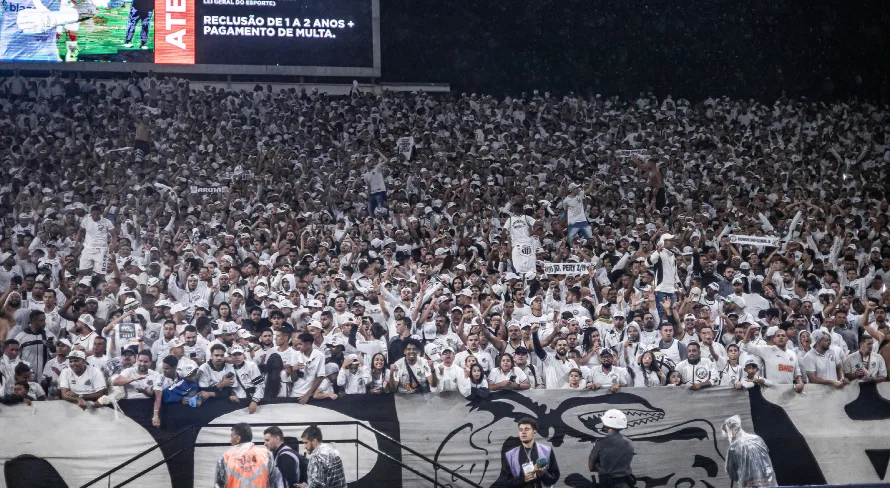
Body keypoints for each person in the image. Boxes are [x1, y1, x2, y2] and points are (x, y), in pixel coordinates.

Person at [496, 417, 560, 487]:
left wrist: (543, 474)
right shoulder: (510, 455)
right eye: (521, 430)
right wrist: (522, 479)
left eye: (527, 429)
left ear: (534, 432)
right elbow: (505, 482)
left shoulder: (547, 451)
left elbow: (554, 478)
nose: (523, 432)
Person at [214, 423, 278, 488]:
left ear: (238, 438)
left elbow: (219, 485)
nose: (230, 440)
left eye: (232, 436)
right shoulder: (266, 455)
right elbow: (273, 483)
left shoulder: (226, 457)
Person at [722, 415, 778, 487]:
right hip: (769, 483)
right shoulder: (758, 439)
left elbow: (732, 473)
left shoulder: (734, 448)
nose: (727, 436)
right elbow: (767, 456)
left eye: (727, 433)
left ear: (732, 430)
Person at [588, 409, 636, 488]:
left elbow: (591, 467)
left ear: (606, 424)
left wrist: (600, 467)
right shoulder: (630, 442)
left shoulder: (600, 443)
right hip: (627, 484)